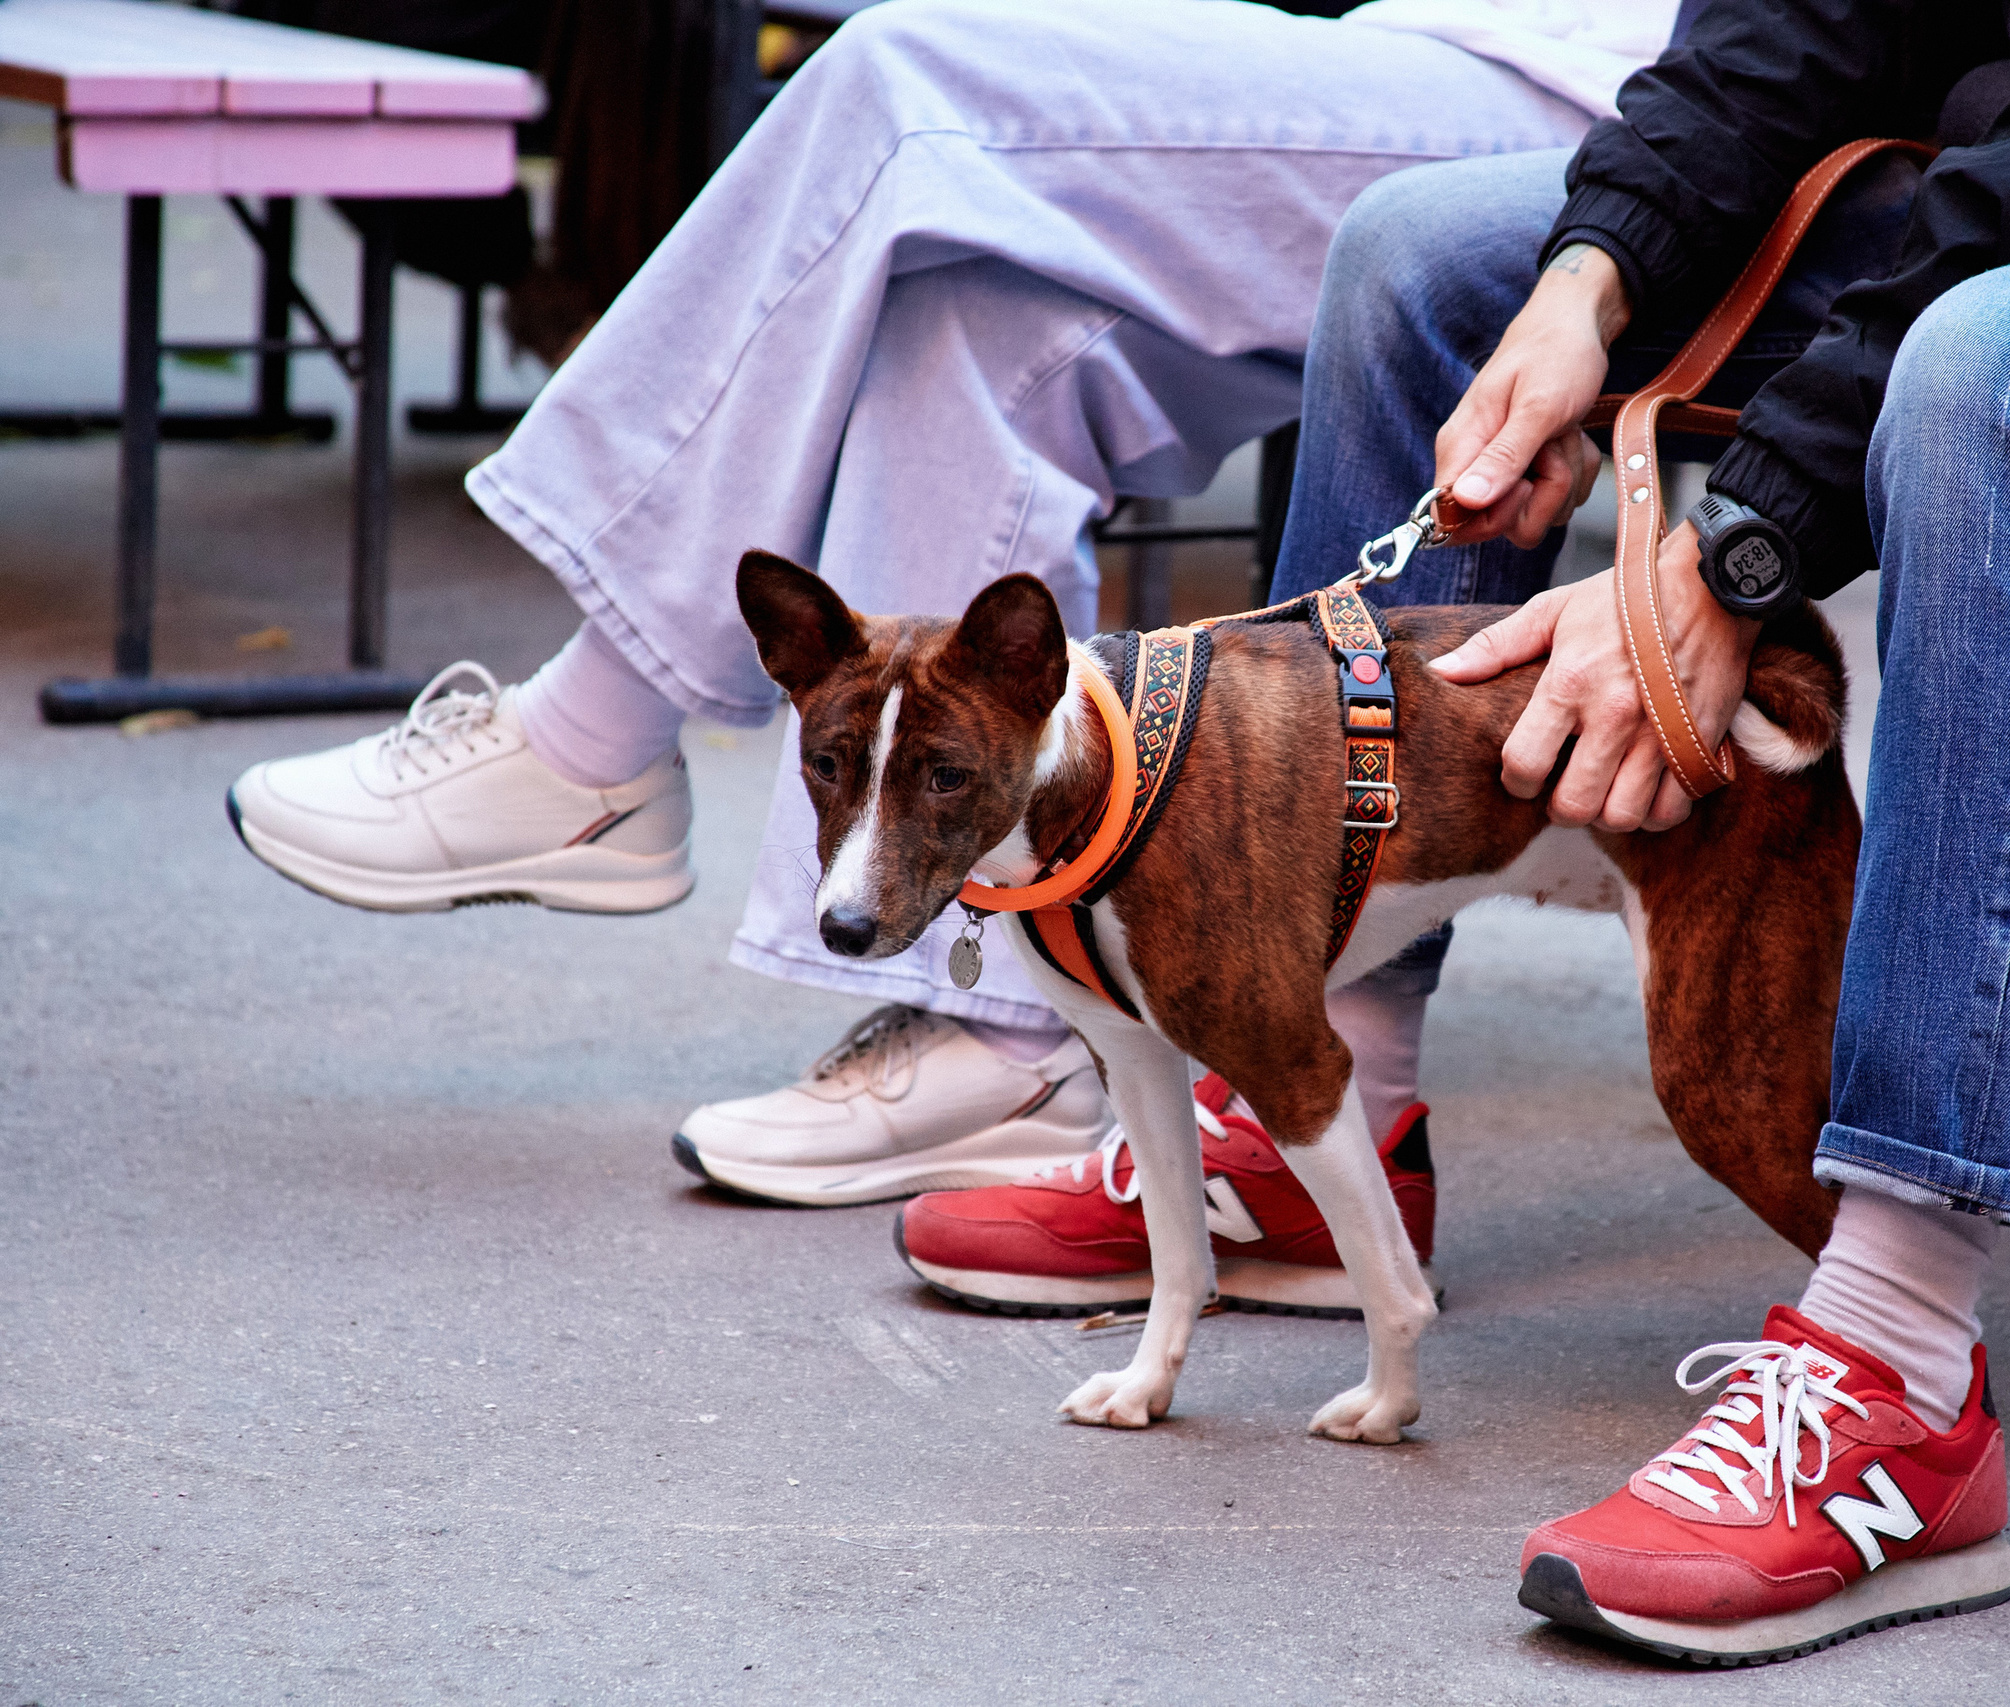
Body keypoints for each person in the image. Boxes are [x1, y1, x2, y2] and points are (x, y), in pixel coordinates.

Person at [892, 0, 2010, 1661]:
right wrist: (1593, 276)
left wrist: (1730, 545)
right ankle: (1325, 1103)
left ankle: (1898, 1363)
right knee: (1425, 261)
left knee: (1993, 377)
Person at [226, 0, 1684, 1206]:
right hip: (1440, 37)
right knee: (978, 322)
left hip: (1612, 77)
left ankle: (590, 739)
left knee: (901, 92)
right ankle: (1015, 1025)